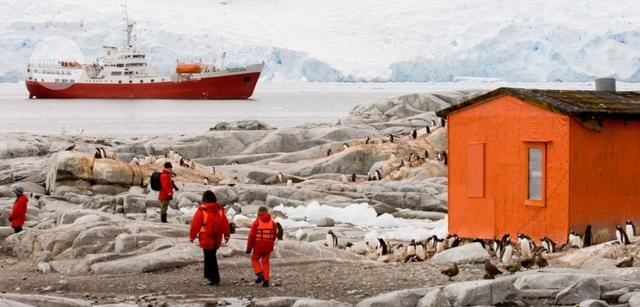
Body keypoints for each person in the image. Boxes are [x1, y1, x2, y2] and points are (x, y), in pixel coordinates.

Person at [189, 190, 230, 286]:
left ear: (204, 199)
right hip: (217, 237)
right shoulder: (219, 209)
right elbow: (225, 223)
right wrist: (227, 235)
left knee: (209, 257)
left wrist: (192, 236)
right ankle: (210, 276)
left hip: (206, 237)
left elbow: (195, 225)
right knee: (211, 256)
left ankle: (214, 278)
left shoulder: (202, 210)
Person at [246, 206, 278, 287]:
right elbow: (274, 235)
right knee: (265, 262)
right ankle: (266, 281)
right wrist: (271, 244)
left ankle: (259, 274)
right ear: (267, 212)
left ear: (258, 212)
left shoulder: (256, 222)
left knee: (254, 259)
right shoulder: (273, 223)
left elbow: (251, 236)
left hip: (258, 245)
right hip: (268, 245)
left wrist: (249, 248)